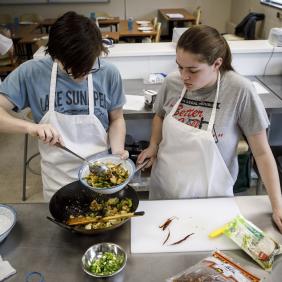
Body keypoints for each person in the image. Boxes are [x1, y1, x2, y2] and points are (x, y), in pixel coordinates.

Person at [137, 25, 282, 232]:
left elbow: (261, 152)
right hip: (166, 189)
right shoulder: (172, 82)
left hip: (212, 198)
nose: (184, 76)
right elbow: (160, 115)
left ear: (217, 64)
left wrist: (278, 205)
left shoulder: (239, 90)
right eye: (180, 67)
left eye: (193, 70)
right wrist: (153, 145)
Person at [0, 11, 128, 200]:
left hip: (101, 174)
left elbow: (116, 119)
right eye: (72, 71)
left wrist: (117, 152)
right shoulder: (31, 73)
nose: (80, 77)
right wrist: (30, 127)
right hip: (57, 180)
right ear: (55, 56)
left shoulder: (108, 73)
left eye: (88, 69)